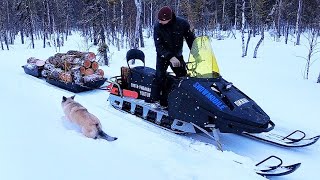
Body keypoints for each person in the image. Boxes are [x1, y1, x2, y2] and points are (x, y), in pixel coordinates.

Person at [149, 6, 196, 107]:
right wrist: (169, 56)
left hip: (177, 55)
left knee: (183, 78)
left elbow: (191, 40)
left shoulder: (182, 24)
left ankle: (182, 100)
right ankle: (160, 102)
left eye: (162, 20)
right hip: (163, 56)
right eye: (159, 20)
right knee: (160, 77)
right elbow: (159, 46)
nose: (160, 22)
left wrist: (197, 53)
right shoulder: (158, 27)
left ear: (169, 19)